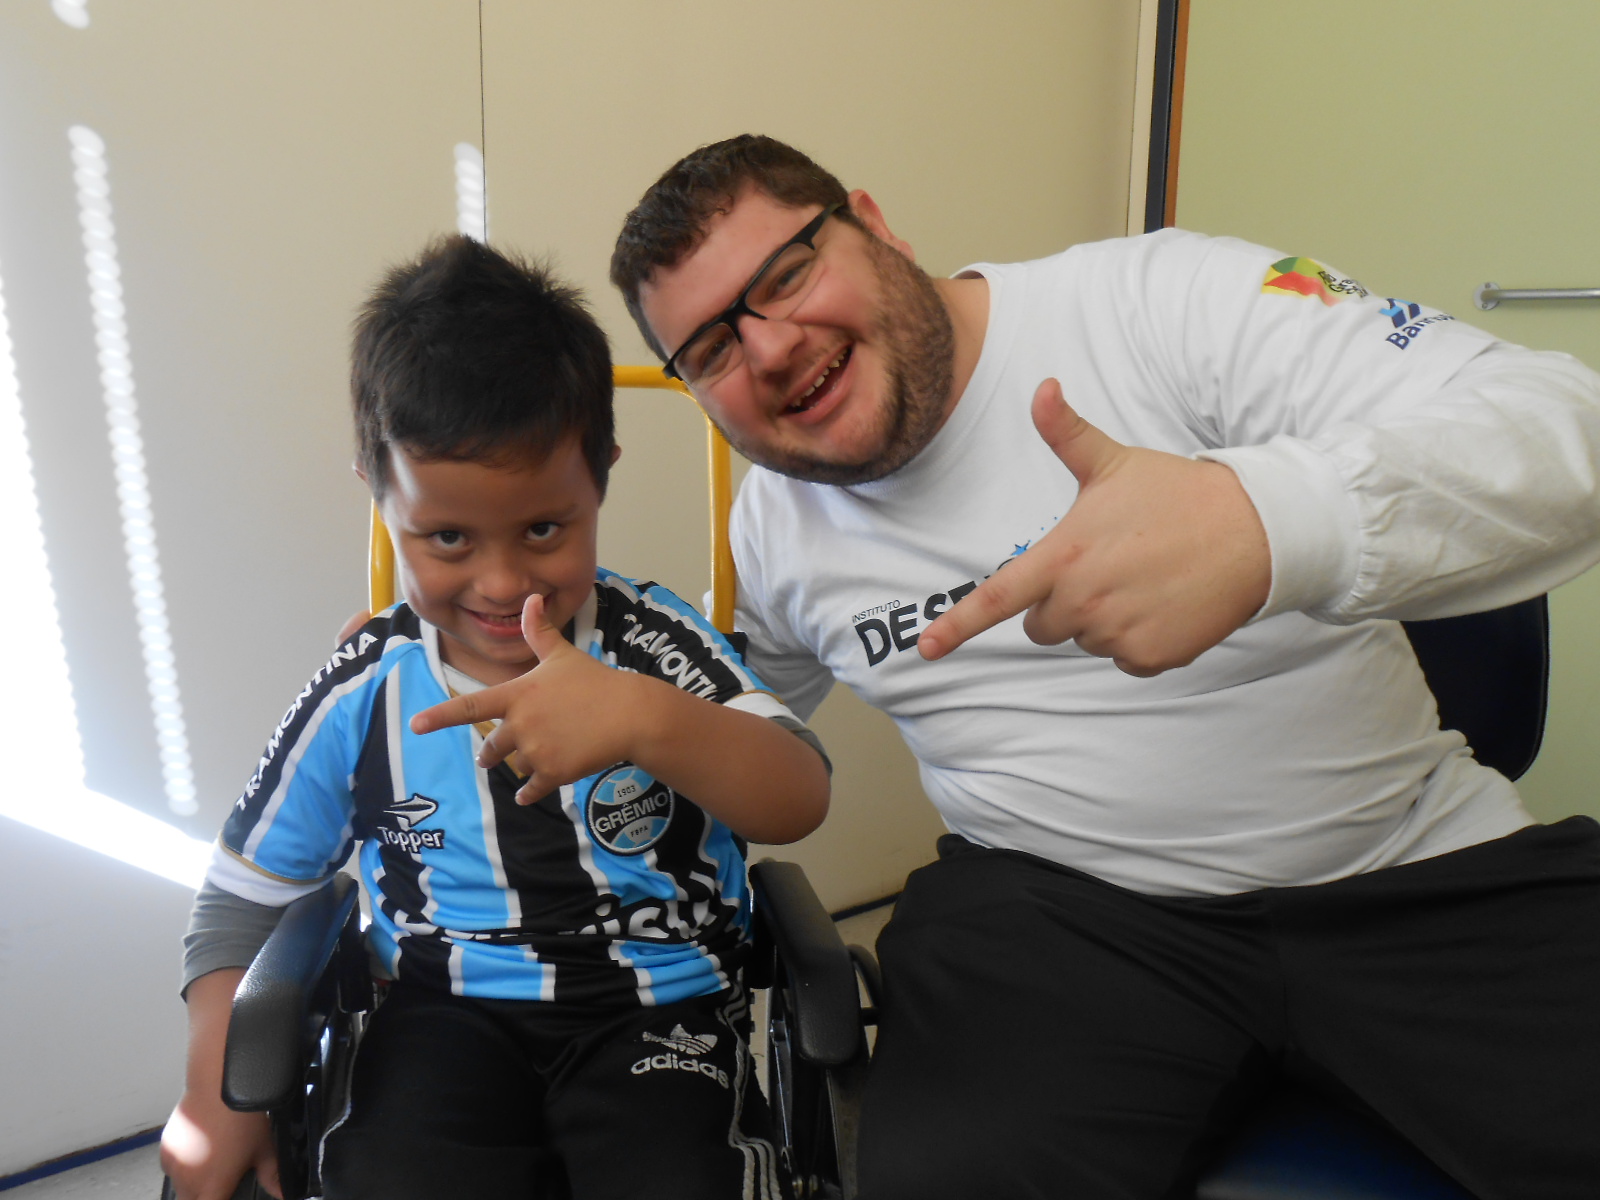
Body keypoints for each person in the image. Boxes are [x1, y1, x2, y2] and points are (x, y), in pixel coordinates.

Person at [420, 136, 1600, 1198]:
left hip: (1408, 863)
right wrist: (456, 646)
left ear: (876, 224)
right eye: (713, 347)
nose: (772, 351)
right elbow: (741, 716)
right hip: (1063, 915)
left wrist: (1267, 521)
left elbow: (1567, 425)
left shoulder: (1163, 302)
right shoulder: (775, 527)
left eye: (783, 275)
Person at [158, 234, 830, 1200]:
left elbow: (797, 792)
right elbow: (240, 901)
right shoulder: (368, 684)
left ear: (602, 473)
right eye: (447, 538)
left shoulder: (655, 646)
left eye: (545, 529)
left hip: (657, 1012)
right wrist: (214, 1093)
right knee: (392, 1175)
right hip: (440, 1014)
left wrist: (646, 720)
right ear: (380, 495)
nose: (504, 582)